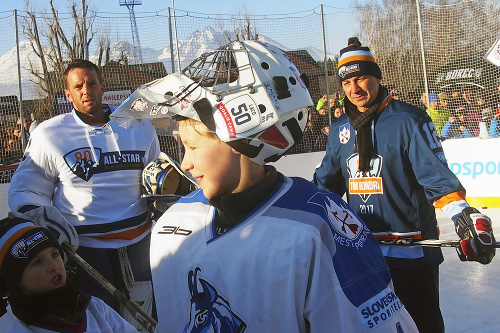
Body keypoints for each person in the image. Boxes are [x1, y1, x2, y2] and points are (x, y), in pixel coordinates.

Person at [112, 40, 419, 332]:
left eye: (192, 148)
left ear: (238, 137)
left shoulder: (317, 228)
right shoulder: (173, 223)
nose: (185, 164)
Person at [314, 37, 496, 333]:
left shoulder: (409, 120)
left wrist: (464, 217)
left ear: (376, 77)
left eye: (361, 79)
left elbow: (435, 177)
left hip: (411, 254)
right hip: (364, 253)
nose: (355, 89)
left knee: (422, 326)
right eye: (347, 83)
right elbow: (326, 186)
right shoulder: (340, 129)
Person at [7, 59, 160, 321]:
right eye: (78, 86)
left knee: (143, 321)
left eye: (91, 83)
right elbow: (26, 189)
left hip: (141, 246)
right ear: (68, 94)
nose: (85, 90)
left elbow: (155, 175)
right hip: (85, 252)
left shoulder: (139, 125)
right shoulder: (49, 134)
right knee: (96, 320)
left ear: (102, 87)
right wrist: (41, 216)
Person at [0, 215, 138, 332]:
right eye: (37, 262)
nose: (54, 266)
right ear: (16, 278)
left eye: (55, 254)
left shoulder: (93, 307)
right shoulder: (11, 327)